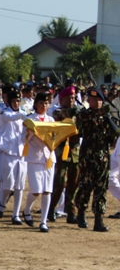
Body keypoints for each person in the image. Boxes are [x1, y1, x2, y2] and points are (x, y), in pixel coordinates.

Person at [72, 88, 120, 231]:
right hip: (88, 157)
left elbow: (116, 132)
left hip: (103, 158)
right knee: (85, 187)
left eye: (100, 100)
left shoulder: (105, 117)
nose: (98, 102)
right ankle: (81, 212)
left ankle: (99, 220)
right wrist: (100, 114)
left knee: (101, 189)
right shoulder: (84, 114)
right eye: (95, 100)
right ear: (89, 101)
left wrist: (107, 118)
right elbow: (81, 127)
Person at [23, 92, 55, 232]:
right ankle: (26, 210)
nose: (44, 105)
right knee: (36, 190)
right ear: (35, 104)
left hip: (48, 158)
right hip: (34, 158)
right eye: (41, 103)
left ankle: (43, 221)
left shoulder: (51, 120)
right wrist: (30, 132)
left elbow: (55, 138)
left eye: (46, 103)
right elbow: (23, 140)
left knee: (47, 190)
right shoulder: (30, 119)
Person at [49, 87, 82, 223]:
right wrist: (72, 112)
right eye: (69, 97)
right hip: (62, 151)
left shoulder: (79, 112)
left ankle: (71, 212)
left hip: (75, 151)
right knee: (60, 182)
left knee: (74, 183)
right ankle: (51, 209)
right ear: (61, 99)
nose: (72, 100)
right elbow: (61, 115)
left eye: (74, 97)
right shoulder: (57, 111)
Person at [0, 89, 28, 224]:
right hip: (8, 151)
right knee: (8, 184)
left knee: (20, 185)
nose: (16, 103)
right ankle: (1, 203)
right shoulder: (4, 113)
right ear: (9, 102)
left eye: (18, 101)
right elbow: (12, 117)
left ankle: (16, 215)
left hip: (21, 152)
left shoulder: (24, 114)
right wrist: (23, 116)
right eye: (14, 101)